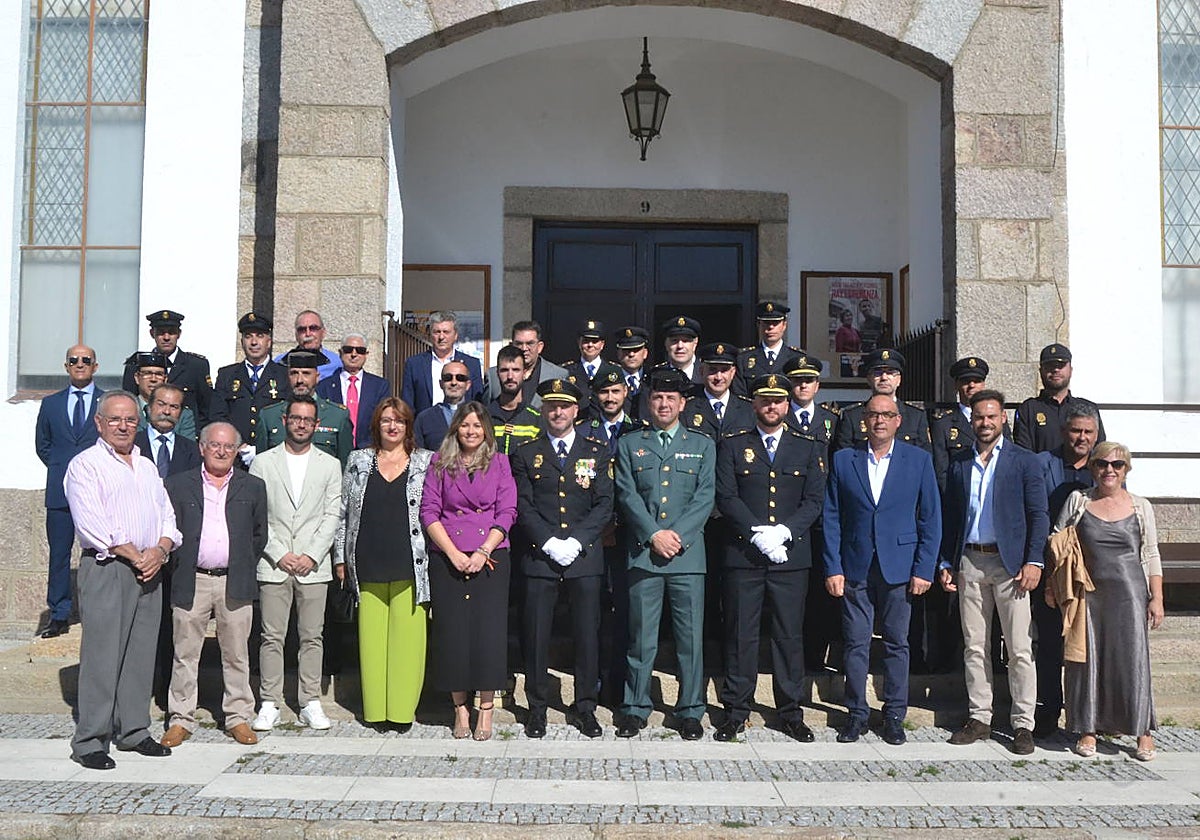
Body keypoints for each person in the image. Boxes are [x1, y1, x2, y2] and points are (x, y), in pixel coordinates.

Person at [64, 391, 182, 770]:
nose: (123, 426)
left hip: (150, 568)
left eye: (130, 419)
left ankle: (132, 730)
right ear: (99, 423)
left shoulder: (147, 467)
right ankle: (91, 740)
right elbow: (93, 524)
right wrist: (137, 555)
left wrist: (160, 551)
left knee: (140, 654)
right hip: (109, 568)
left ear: (139, 422)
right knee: (102, 655)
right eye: (114, 419)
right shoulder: (85, 465)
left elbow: (167, 517)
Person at [823, 394, 941, 746]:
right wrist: (833, 566)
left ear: (898, 421)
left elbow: (930, 518)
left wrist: (924, 569)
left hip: (900, 566)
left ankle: (893, 715)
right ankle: (856, 714)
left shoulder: (918, 461)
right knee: (856, 643)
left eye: (887, 415)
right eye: (873, 414)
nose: (879, 421)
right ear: (864, 419)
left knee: (896, 643)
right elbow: (832, 517)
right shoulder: (845, 459)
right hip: (855, 565)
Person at [714, 373, 825, 742]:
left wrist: (785, 532)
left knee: (788, 635)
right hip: (744, 554)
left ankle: (790, 711)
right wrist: (756, 533)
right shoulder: (733, 444)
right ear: (754, 404)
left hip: (790, 558)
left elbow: (814, 500)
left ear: (787, 404)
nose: (772, 406)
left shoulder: (807, 446)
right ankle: (736, 710)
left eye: (778, 400)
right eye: (765, 400)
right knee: (740, 634)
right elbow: (726, 496)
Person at [940, 389, 1048, 755]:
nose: (985, 423)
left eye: (991, 416)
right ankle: (980, 717)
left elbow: (1038, 515)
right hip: (970, 560)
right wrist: (945, 562)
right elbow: (952, 518)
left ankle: (1022, 724)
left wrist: (1034, 560)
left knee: (1019, 647)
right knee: (974, 646)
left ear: (1003, 419)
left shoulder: (1024, 462)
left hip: (1011, 565)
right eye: (978, 417)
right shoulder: (959, 463)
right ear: (971, 421)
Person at [614, 368, 715, 740]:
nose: (664, 403)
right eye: (657, 397)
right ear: (648, 401)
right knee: (642, 638)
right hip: (645, 555)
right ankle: (635, 707)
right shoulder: (630, 444)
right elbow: (627, 494)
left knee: (690, 639)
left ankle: (690, 709)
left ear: (683, 403)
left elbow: (706, 497)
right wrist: (654, 534)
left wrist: (677, 537)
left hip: (688, 558)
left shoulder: (703, 444)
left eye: (671, 398)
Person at [1047, 442, 1163, 761]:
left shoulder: (1141, 506)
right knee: (1087, 661)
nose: (1109, 470)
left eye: (1117, 465)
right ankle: (1088, 727)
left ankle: (1143, 731)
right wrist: (1053, 586)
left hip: (1130, 594)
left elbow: (1151, 553)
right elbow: (1057, 541)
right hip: (1088, 593)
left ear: (1127, 470)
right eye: (1102, 464)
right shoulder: (1078, 501)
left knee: (1133, 660)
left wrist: (1158, 598)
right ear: (1092, 467)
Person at [511, 379, 613, 739]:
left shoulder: (597, 451)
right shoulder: (525, 453)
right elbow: (522, 504)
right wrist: (549, 541)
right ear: (543, 410)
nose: (557, 412)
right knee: (536, 635)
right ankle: (537, 708)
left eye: (564, 406)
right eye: (551, 406)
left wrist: (579, 540)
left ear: (575, 411)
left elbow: (604, 504)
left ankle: (586, 707)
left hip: (584, 558)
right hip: (541, 557)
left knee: (587, 635)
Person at [160, 422, 268, 748]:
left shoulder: (253, 487)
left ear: (237, 451)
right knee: (185, 653)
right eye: (215, 445)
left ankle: (238, 718)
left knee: (236, 654)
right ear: (202, 447)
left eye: (228, 446)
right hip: (192, 578)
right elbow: (169, 528)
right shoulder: (178, 485)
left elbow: (259, 534)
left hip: (234, 579)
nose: (221, 451)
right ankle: (180, 719)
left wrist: (242, 562)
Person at [420, 402, 518, 741]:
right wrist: (452, 552)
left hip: (490, 555)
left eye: (477, 426)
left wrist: (483, 550)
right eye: (465, 426)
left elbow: (507, 511)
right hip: (448, 556)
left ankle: (486, 709)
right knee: (453, 633)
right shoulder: (439, 462)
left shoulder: (501, 463)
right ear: (455, 429)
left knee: (488, 634)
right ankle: (460, 708)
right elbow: (429, 511)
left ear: (486, 430)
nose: (471, 431)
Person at [335, 397, 434, 731]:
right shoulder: (359, 460)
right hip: (367, 560)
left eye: (400, 421)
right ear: (376, 425)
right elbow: (343, 511)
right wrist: (339, 557)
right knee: (373, 642)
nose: (393, 426)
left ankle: (402, 712)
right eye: (386, 420)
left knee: (408, 642)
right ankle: (376, 711)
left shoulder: (425, 462)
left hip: (410, 561)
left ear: (408, 427)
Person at [249, 396, 343, 731]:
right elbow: (258, 516)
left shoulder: (330, 465)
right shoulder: (262, 463)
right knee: (271, 636)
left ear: (316, 425)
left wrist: (312, 555)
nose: (301, 424)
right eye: (295, 418)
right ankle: (269, 701)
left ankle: (310, 700)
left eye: (308, 419)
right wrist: (280, 553)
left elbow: (333, 513)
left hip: (313, 565)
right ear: (285, 420)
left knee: (312, 636)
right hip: (274, 563)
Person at [1031, 403, 1099, 737]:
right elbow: (1036, 513)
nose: (1081, 437)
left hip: (1091, 575)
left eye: (1088, 432)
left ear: (1096, 434)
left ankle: (1087, 714)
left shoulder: (1105, 467)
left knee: (1086, 645)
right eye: (1076, 431)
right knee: (1049, 645)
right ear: (1063, 432)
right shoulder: (1043, 465)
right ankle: (1048, 710)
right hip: (1050, 570)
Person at [134, 382, 202, 707]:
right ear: (149, 406)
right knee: (138, 624)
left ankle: (166, 695)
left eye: (174, 407)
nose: (166, 411)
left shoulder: (191, 451)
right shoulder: (130, 446)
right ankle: (134, 690)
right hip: (137, 551)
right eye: (161, 404)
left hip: (175, 552)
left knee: (170, 625)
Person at [35, 345, 102, 639]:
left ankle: (97, 611)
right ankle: (59, 614)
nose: (79, 364)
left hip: (97, 492)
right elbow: (43, 445)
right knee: (59, 555)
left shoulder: (106, 401)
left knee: (100, 551)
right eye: (73, 360)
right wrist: (64, 469)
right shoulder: (51, 404)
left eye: (85, 360)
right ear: (66, 366)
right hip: (60, 492)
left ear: (95, 366)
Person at [781, 354, 842, 673]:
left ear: (818, 385)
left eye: (809, 380)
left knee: (823, 591)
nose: (803, 385)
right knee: (791, 594)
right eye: (797, 380)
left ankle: (817, 655)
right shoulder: (779, 417)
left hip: (822, 517)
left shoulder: (832, 420)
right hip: (789, 516)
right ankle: (792, 657)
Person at [210, 311, 291, 458]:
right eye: (248, 336)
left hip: (273, 454)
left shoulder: (284, 375)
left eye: (260, 336)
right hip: (234, 455)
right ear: (242, 342)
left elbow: (288, 417)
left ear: (269, 341)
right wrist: (238, 444)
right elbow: (218, 415)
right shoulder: (227, 375)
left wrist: (262, 448)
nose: (254, 342)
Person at [258, 349, 352, 465]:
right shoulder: (269, 416)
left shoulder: (337, 416)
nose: (299, 380)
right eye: (294, 373)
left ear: (317, 377)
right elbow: (261, 464)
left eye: (306, 373)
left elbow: (345, 465)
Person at [122, 310, 213, 425]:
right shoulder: (136, 364)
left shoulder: (196, 366)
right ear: (152, 333)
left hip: (185, 434)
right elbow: (129, 403)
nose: (166, 337)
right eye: (161, 332)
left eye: (171, 332)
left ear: (179, 334)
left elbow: (206, 408)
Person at [1013, 344, 1106, 454]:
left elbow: (1100, 450)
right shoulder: (1028, 409)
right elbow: (1023, 453)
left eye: (1060, 365)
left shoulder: (1088, 408)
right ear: (1041, 371)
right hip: (1041, 471)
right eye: (1050, 365)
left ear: (1070, 370)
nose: (1055, 370)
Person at [834, 349, 930, 452]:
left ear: (899, 380)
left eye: (890, 373)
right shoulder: (852, 416)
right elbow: (844, 459)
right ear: (869, 379)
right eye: (878, 373)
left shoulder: (916, 417)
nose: (884, 377)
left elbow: (924, 459)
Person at [316, 333, 391, 448]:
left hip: (369, 451)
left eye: (360, 350)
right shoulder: (324, 386)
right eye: (348, 349)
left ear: (366, 355)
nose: (354, 354)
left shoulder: (380, 386)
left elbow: (383, 420)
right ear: (340, 353)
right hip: (333, 450)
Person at [931, 356, 994, 492]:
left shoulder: (996, 419)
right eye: (966, 381)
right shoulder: (943, 423)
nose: (971, 385)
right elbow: (941, 471)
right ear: (956, 385)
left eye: (977, 381)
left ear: (983, 385)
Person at [401, 311, 483, 414]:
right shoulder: (414, 364)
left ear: (456, 335)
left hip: (462, 425)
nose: (441, 337)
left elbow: (478, 402)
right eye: (437, 332)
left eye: (446, 332)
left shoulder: (472, 364)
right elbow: (407, 404)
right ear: (430, 335)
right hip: (426, 426)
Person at [484, 320, 568, 408]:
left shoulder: (557, 375)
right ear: (511, 345)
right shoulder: (493, 376)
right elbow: (485, 414)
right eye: (519, 343)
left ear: (540, 347)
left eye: (530, 343)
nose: (524, 348)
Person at [684, 342, 754, 440]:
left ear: (733, 372)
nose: (718, 377)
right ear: (701, 371)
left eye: (724, 370)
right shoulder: (687, 409)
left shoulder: (749, 409)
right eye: (712, 370)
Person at [735, 302, 800, 395]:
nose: (770, 327)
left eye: (775, 323)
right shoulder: (743, 359)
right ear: (758, 324)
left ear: (784, 325)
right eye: (766, 323)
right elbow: (740, 395)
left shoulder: (796, 358)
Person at [487, 344, 542, 455]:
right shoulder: (484, 416)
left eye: (516, 370)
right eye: (504, 370)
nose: (510, 376)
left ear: (525, 373)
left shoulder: (536, 419)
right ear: (497, 373)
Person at [132, 352, 197, 440]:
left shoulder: (184, 414)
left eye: (159, 374)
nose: (153, 379)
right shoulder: (127, 409)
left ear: (165, 379)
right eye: (147, 373)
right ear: (137, 378)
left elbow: (187, 448)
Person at [414, 360, 472, 450]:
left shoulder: (478, 415)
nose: (453, 382)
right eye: (448, 378)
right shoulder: (425, 418)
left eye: (460, 378)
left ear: (468, 385)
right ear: (441, 384)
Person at [275, 309, 339, 379]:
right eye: (302, 329)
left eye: (313, 328)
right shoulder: (281, 362)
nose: (308, 334)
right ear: (296, 335)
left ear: (323, 333)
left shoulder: (336, 364)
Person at [653, 315, 704, 387]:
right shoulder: (654, 376)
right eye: (674, 341)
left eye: (685, 341)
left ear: (695, 342)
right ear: (666, 343)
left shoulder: (707, 374)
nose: (680, 346)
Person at [614, 326, 651, 418]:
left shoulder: (653, 378)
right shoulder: (610, 380)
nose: (631, 354)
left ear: (645, 353)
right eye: (626, 350)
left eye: (636, 350)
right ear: (618, 353)